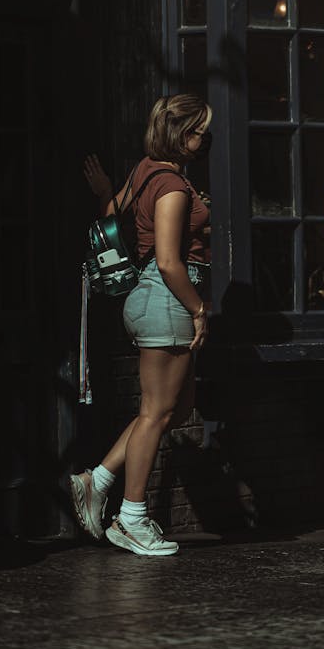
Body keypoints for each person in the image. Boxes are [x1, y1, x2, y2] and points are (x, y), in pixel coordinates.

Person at [72, 93, 212, 557]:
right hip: (167, 295)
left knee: (173, 406)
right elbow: (170, 262)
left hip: (147, 297)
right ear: (180, 133)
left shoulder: (144, 172)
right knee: (157, 412)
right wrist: (198, 309)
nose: (203, 139)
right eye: (198, 131)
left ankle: (100, 479)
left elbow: (112, 218)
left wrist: (105, 192)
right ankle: (131, 518)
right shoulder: (171, 185)